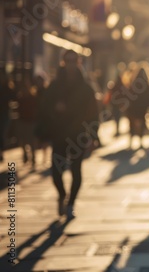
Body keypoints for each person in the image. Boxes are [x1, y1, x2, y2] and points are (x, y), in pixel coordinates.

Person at [37, 50, 98, 218]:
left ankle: (71, 204)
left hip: (78, 135)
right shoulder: (55, 86)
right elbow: (44, 110)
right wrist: (42, 135)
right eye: (68, 60)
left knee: (76, 169)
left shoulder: (86, 87)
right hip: (59, 134)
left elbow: (94, 113)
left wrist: (94, 136)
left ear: (78, 62)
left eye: (74, 60)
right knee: (56, 171)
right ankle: (62, 195)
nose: (71, 64)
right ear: (63, 62)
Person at [16, 70, 38, 169]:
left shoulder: (32, 97)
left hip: (30, 121)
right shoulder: (20, 97)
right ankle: (25, 155)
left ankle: (32, 157)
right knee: (23, 140)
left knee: (31, 141)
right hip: (22, 121)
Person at [0, 65, 16, 162]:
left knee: (2, 133)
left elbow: (14, 97)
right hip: (4, 113)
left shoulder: (7, 87)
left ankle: (1, 151)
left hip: (5, 114)